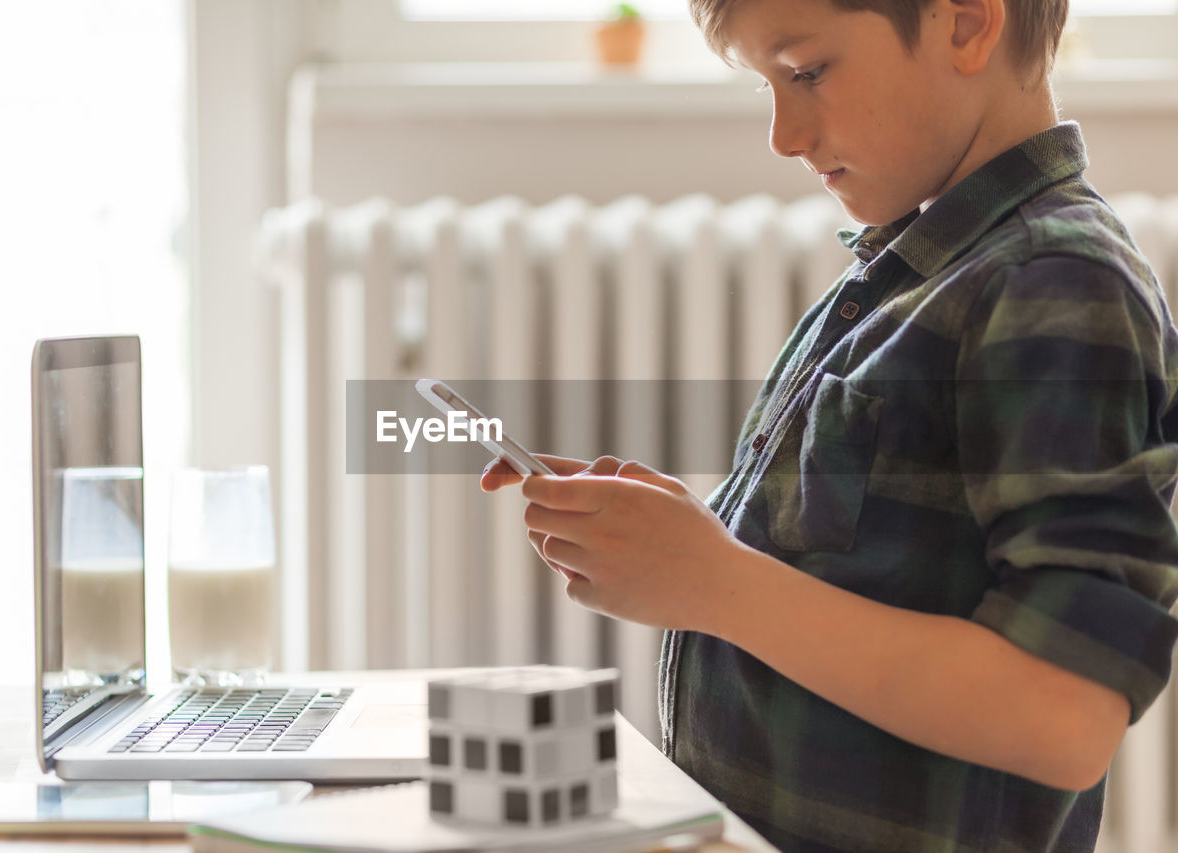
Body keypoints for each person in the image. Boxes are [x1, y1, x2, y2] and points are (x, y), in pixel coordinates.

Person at [480, 0, 1178, 850]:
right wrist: (691, 542)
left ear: (965, 23)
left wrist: (717, 584)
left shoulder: (1055, 283)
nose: (782, 134)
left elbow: (1066, 712)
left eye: (806, 71)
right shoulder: (918, 276)